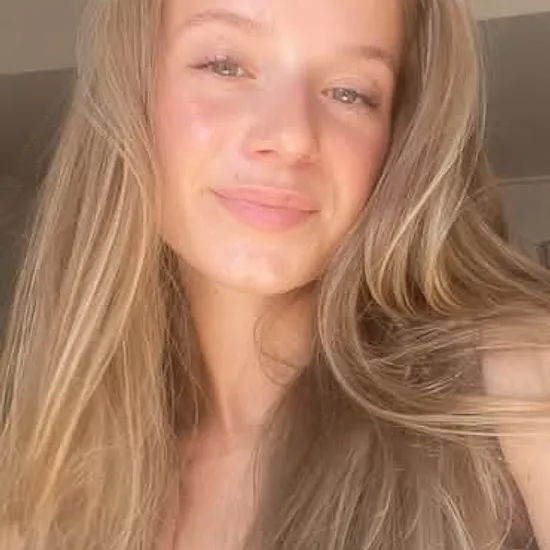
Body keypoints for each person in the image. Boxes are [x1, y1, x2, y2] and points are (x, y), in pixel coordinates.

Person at [1, 0, 549, 548]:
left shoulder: (519, 393)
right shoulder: (43, 492)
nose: (292, 138)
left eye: (350, 92)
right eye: (224, 65)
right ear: (130, 90)